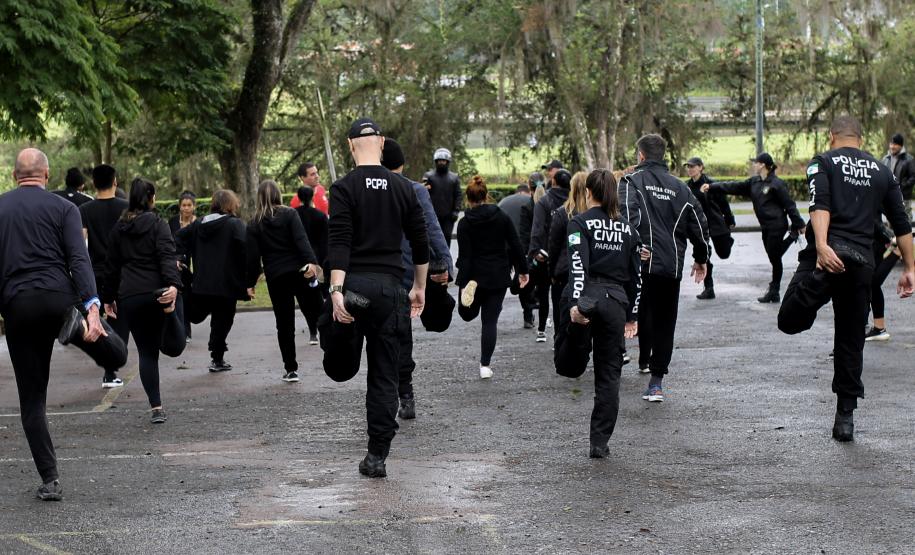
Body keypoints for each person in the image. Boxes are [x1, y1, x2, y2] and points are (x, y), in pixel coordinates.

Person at [0, 148, 127, 501]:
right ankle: (85, 333)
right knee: (117, 355)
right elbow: (78, 258)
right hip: (60, 302)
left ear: (14, 176)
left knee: (32, 400)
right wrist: (91, 307)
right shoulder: (64, 208)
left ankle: (50, 478)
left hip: (18, 306)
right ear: (47, 175)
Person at [778, 115, 914, 442]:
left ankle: (813, 287)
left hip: (826, 256)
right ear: (861, 139)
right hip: (860, 262)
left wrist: (822, 247)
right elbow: (901, 223)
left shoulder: (823, 161)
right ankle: (845, 419)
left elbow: (818, 204)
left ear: (831, 136)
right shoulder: (882, 171)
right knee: (851, 340)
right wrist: (910, 268)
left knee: (789, 320)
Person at [323, 117, 428, 479]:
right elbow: (420, 242)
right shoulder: (404, 187)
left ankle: (341, 359)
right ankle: (377, 455)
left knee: (339, 365)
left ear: (351, 146)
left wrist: (336, 291)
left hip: (354, 289)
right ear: (381, 144)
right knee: (384, 375)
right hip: (389, 291)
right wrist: (419, 288)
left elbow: (339, 241)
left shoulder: (343, 187)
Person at [554, 169, 641, 458]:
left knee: (569, 363)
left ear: (588, 193)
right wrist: (632, 314)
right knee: (609, 375)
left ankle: (573, 356)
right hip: (616, 302)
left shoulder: (578, 223)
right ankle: (599, 442)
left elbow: (578, 266)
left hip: (589, 299)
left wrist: (576, 306)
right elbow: (635, 276)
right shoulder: (628, 229)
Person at [620, 134, 710, 402]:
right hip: (670, 266)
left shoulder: (630, 182)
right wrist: (702, 257)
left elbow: (627, 220)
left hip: (640, 264)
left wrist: (636, 249)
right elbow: (700, 226)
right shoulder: (682, 189)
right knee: (664, 322)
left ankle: (618, 370)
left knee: (631, 313)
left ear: (641, 156)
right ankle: (656, 382)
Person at [102, 178, 186, 424]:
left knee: (147, 354)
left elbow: (111, 267)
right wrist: (174, 285)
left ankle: (156, 407)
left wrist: (109, 298)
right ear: (151, 198)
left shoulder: (120, 228)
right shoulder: (158, 224)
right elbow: (166, 255)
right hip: (158, 291)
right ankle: (171, 313)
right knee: (175, 345)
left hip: (131, 296)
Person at [380, 137, 452, 420]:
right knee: (402, 335)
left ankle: (391, 392)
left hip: (379, 273)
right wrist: (445, 265)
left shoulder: (370, 190)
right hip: (407, 274)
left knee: (383, 337)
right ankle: (405, 393)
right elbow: (432, 229)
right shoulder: (415, 190)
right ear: (403, 163)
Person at [701, 152, 806, 303]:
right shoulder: (754, 182)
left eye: (755, 163)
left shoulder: (777, 184)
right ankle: (775, 290)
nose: (753, 165)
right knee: (774, 256)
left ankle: (774, 289)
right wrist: (712, 187)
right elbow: (733, 186)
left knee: (774, 256)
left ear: (763, 165)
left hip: (777, 224)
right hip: (765, 226)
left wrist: (799, 224)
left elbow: (790, 205)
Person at [456, 175, 529, 379]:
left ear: (468, 199)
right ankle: (485, 365)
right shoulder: (501, 216)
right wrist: (523, 271)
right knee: (489, 322)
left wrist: (462, 282)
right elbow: (515, 245)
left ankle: (467, 304)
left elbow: (465, 256)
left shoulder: (465, 223)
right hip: (498, 275)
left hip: (474, 277)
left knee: (467, 313)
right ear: (486, 195)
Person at [246, 179, 320, 382]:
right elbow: (301, 240)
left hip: (276, 276)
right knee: (313, 309)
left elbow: (252, 258)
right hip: (298, 271)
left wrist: (250, 282)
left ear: (259, 197)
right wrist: (311, 262)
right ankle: (331, 346)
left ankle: (291, 368)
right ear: (279, 194)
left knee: (284, 323)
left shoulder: (254, 222)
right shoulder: (290, 214)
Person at [176, 190, 249, 372]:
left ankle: (215, 354)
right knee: (223, 321)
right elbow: (246, 249)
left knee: (201, 314)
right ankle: (217, 358)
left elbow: (177, 237)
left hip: (202, 283)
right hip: (227, 284)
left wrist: (180, 259)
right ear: (231, 204)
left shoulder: (199, 223)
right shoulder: (235, 225)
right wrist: (249, 277)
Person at [79, 163, 129, 388]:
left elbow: (80, 244)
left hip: (96, 272)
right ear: (115, 181)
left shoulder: (85, 210)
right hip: (122, 273)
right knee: (120, 321)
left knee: (98, 319)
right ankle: (112, 369)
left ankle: (109, 370)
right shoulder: (127, 208)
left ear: (93, 184)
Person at [528, 168, 572, 342]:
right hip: (571, 257)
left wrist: (534, 251)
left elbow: (537, 230)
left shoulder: (544, 201)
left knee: (550, 297)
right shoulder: (574, 201)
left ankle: (555, 336)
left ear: (553, 182)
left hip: (546, 255)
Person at [685, 157, 735, 299]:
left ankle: (728, 240)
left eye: (692, 166)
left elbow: (723, 203)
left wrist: (729, 218)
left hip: (715, 223)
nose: (690, 169)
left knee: (724, 253)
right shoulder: (687, 187)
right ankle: (709, 288)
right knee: (704, 255)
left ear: (701, 167)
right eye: (688, 167)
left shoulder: (711, 184)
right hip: (699, 227)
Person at [548, 171, 588, 330]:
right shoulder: (595, 215)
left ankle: (561, 348)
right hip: (588, 271)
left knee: (561, 315)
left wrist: (551, 272)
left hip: (564, 271)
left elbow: (553, 246)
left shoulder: (562, 213)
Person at [294, 185, 329, 345]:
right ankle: (324, 326)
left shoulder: (294, 216)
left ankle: (313, 331)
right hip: (318, 260)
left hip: (300, 262)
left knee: (305, 299)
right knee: (321, 295)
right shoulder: (320, 216)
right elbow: (325, 241)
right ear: (312, 196)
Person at [500, 183, 536, 327]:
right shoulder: (529, 202)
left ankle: (494, 310)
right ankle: (528, 316)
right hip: (522, 246)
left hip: (502, 245)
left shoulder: (504, 201)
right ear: (527, 192)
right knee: (524, 279)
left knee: (501, 278)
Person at [865, 223, 901, 342]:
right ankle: (878, 328)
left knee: (871, 283)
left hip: (874, 238)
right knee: (871, 284)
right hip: (872, 238)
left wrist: (890, 236)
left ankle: (878, 328)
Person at [168, 191, 197, 339]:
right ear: (179, 206)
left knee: (188, 297)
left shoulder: (198, 222)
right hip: (175, 263)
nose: (186, 208)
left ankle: (187, 328)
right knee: (179, 296)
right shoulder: (173, 222)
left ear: (194, 206)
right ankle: (181, 331)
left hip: (191, 262)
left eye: (189, 205)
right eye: (183, 205)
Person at [422, 148, 462, 244]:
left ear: (447, 162)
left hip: (448, 217)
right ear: (436, 161)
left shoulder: (454, 178)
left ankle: (445, 259)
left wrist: (456, 210)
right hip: (432, 215)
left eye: (443, 161)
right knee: (432, 240)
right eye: (439, 161)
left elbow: (458, 195)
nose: (441, 163)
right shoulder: (429, 176)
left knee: (446, 238)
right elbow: (423, 194)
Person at [881, 134, 914, 222]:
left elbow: (913, 177)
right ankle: (892, 236)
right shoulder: (885, 159)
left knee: (905, 218)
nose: (892, 146)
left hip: (904, 196)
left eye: (895, 144)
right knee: (890, 218)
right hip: (889, 195)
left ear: (901, 146)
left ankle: (908, 235)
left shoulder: (909, 159)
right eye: (891, 144)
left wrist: (903, 185)